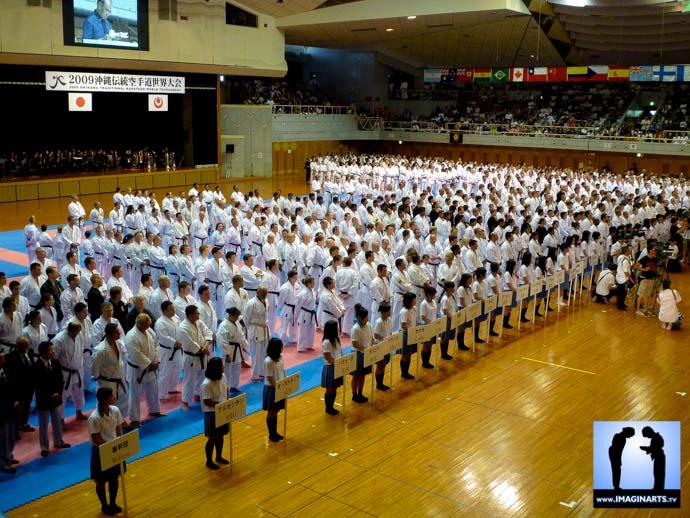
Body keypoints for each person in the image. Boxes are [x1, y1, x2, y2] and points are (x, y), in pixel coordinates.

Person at [88, 387, 125, 517]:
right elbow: (96, 439)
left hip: (114, 447)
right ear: (104, 399)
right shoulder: (94, 418)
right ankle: (104, 505)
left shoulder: (115, 410)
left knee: (114, 478)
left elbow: (119, 427)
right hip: (101, 450)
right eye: (112, 396)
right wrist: (110, 447)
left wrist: (119, 442)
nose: (114, 397)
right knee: (101, 480)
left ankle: (113, 503)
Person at [125, 314, 164, 427]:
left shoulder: (149, 331)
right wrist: (149, 363)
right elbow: (135, 354)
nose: (149, 325)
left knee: (153, 389)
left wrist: (156, 360)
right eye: (147, 323)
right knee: (135, 394)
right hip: (137, 370)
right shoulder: (131, 336)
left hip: (151, 367)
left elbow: (156, 345)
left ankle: (154, 410)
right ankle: (134, 418)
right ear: (140, 324)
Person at [33, 341, 70, 457]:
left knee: (57, 421)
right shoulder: (36, 366)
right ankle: (44, 446)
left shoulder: (55, 362)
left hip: (56, 397)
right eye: (50, 350)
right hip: (43, 399)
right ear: (42, 353)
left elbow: (60, 379)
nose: (52, 352)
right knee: (43, 424)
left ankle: (58, 441)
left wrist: (58, 392)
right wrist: (51, 394)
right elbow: (38, 385)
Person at [178, 304, 212, 411]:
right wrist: (202, 349)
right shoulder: (183, 327)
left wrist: (206, 346)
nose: (199, 314)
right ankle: (185, 401)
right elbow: (189, 343)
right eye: (197, 313)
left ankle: (198, 394)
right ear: (191, 315)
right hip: (191, 357)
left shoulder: (199, 322)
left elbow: (208, 332)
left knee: (202, 377)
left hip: (202, 355)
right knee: (189, 380)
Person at [92, 323, 129, 420]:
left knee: (123, 401)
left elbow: (121, 361)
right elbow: (95, 367)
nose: (119, 333)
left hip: (120, 377)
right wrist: (97, 376)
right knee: (108, 404)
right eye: (117, 332)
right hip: (108, 381)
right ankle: (107, 423)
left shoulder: (119, 344)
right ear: (110, 334)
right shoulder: (100, 350)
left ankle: (122, 420)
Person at [201, 357, 230, 470]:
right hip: (212, 413)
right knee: (212, 438)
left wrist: (227, 401)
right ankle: (209, 461)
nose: (223, 367)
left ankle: (219, 456)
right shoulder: (206, 384)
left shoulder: (223, 377)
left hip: (222, 409)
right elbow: (207, 401)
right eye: (221, 365)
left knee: (221, 435)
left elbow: (226, 389)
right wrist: (221, 405)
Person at [5, 336, 35, 437]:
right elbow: (10, 375)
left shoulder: (30, 352)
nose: (25, 348)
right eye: (23, 346)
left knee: (27, 405)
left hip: (29, 385)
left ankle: (24, 423)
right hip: (17, 387)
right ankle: (16, 429)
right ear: (18, 346)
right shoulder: (10, 357)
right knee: (17, 409)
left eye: (27, 346)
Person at [217, 307, 249, 394]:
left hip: (237, 349)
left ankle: (234, 386)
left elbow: (241, 335)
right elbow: (222, 341)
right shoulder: (223, 326)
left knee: (236, 369)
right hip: (229, 350)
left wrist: (245, 345)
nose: (237, 318)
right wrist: (227, 354)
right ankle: (225, 389)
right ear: (230, 315)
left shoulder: (236, 322)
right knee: (227, 371)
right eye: (236, 316)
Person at [155, 301, 182, 400]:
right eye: (171, 309)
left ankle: (172, 387)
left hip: (178, 349)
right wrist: (175, 342)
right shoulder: (160, 322)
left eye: (173, 308)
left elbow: (180, 330)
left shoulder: (176, 318)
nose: (173, 311)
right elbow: (163, 337)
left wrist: (181, 341)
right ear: (164, 311)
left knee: (176, 369)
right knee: (165, 372)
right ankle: (162, 394)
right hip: (166, 350)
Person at [0, 349, 20, 473]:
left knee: (11, 435)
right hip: (1, 411)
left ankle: (8, 454)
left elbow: (12, 388)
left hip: (10, 408)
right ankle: (4, 462)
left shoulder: (6, 371)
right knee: (3, 438)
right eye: (1, 359)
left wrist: (16, 400)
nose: (4, 360)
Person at [262, 338, 285, 443]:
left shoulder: (279, 358)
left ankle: (275, 432)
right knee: (271, 412)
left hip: (279, 386)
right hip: (272, 388)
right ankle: (271, 434)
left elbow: (282, 371)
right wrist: (278, 388)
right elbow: (270, 378)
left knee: (275, 411)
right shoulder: (268, 361)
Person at [350, 305, 373, 402]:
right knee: (356, 375)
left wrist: (370, 348)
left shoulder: (369, 325)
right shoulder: (355, 328)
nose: (367, 319)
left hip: (366, 353)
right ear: (359, 318)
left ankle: (360, 392)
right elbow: (355, 343)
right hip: (358, 354)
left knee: (363, 375)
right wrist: (365, 349)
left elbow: (372, 338)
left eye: (367, 317)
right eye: (365, 318)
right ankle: (354, 394)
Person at [320, 320, 342, 415]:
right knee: (330, 389)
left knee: (334, 388)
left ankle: (331, 406)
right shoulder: (327, 342)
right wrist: (337, 363)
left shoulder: (336, 339)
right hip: (330, 367)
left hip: (337, 364)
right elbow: (328, 357)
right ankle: (328, 408)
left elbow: (339, 352)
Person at [398, 292, 417, 380]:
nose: (415, 301)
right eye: (414, 299)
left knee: (409, 354)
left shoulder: (414, 309)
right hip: (406, 334)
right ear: (409, 301)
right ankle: (404, 373)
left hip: (412, 332)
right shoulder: (404, 311)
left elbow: (415, 321)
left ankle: (407, 371)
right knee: (405, 354)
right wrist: (411, 332)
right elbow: (404, 325)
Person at [608, 426, 635, 491]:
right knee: (616, 470)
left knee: (616, 470)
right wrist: (618, 460)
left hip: (615, 454)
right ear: (627, 433)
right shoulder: (619, 436)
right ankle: (616, 486)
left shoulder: (621, 437)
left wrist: (619, 460)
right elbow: (617, 449)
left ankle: (616, 486)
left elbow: (619, 450)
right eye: (630, 435)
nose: (630, 437)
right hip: (614, 454)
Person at [295, 277, 317, 352]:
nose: (314, 284)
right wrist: (296, 315)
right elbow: (298, 305)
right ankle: (301, 347)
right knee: (303, 331)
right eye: (313, 282)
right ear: (308, 283)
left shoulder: (313, 291)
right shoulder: (303, 293)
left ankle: (309, 345)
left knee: (311, 330)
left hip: (311, 313)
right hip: (304, 313)